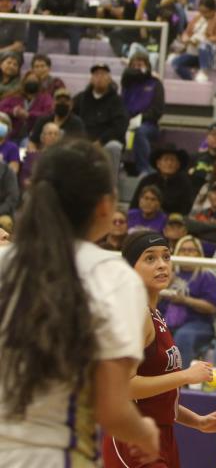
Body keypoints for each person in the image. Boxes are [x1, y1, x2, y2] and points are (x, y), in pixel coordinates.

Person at [0, 140, 159, 465]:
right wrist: (143, 431)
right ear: (104, 206)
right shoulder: (112, 276)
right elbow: (111, 407)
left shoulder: (5, 263)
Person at [102, 232, 216, 467]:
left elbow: (160, 397)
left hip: (163, 436)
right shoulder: (135, 312)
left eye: (166, 257)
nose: (162, 265)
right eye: (150, 259)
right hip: (134, 440)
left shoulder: (155, 313)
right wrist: (185, 376)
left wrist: (197, 422)